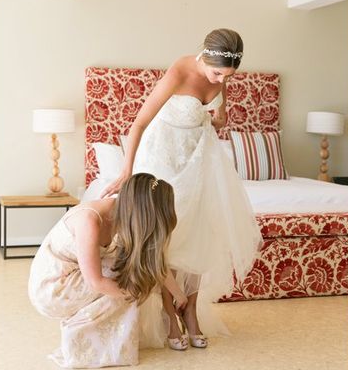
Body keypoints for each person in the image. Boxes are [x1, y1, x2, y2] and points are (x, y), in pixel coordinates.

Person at [100, 28, 262, 350]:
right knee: (166, 235)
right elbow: (140, 124)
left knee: (199, 231)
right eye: (217, 73)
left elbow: (219, 118)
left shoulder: (220, 76)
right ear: (204, 55)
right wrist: (127, 171)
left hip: (198, 157)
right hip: (163, 159)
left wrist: (215, 118)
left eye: (226, 76)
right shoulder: (178, 72)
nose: (219, 81)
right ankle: (169, 312)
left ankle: (192, 314)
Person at [28, 173, 183, 367]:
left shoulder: (121, 213)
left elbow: (153, 260)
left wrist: (179, 295)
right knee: (129, 276)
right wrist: (136, 292)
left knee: (134, 269)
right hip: (52, 289)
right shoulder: (90, 221)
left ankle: (107, 342)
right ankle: (78, 340)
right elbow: (96, 282)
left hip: (75, 278)